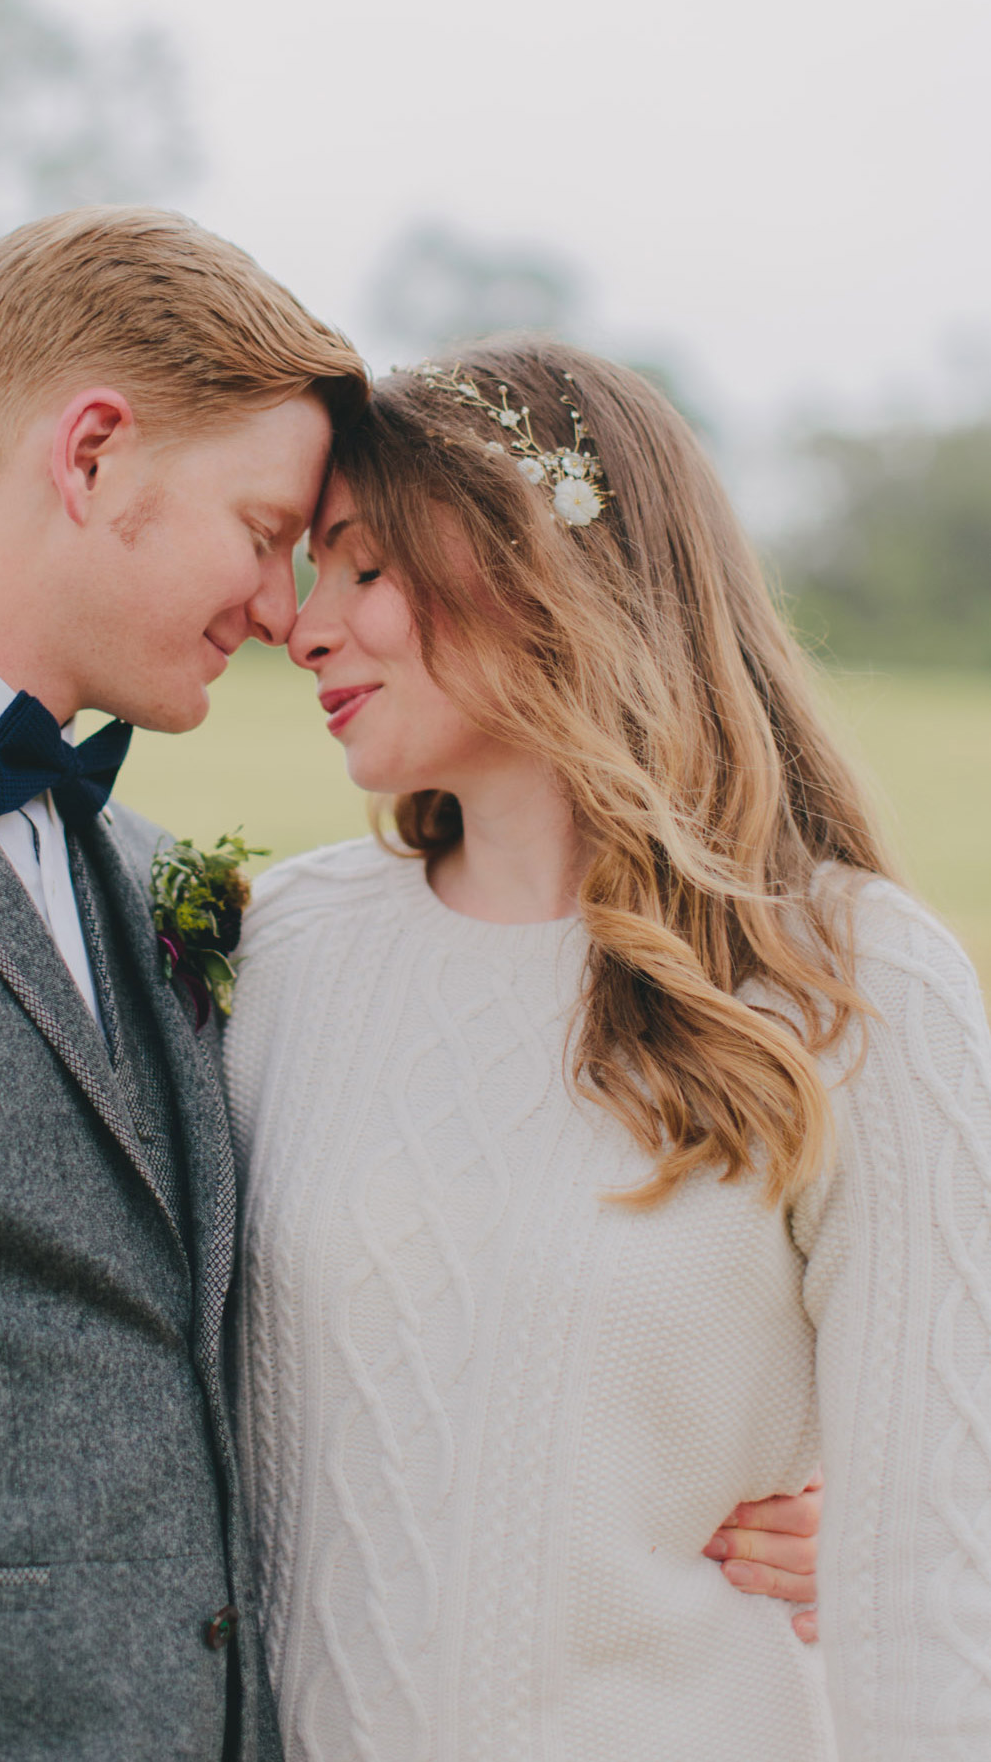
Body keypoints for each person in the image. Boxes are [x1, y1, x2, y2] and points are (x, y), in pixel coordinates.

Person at [0, 213, 817, 1761]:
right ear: (90, 458)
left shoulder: (173, 888)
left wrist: (788, 1477)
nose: (288, 612)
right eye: (267, 526)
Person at [224, 337, 991, 1759]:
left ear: (543, 570)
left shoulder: (853, 981)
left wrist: (859, 1519)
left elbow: (930, 1580)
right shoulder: (282, 953)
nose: (302, 623)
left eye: (365, 567)